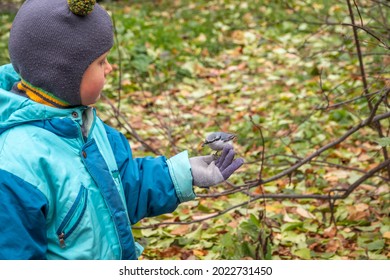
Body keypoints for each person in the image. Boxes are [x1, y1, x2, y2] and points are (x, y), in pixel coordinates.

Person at [0, 0, 244, 260]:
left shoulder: (86, 126)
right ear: (63, 75)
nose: (110, 68)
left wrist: (182, 174)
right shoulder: (17, 164)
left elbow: (121, 187)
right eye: (101, 61)